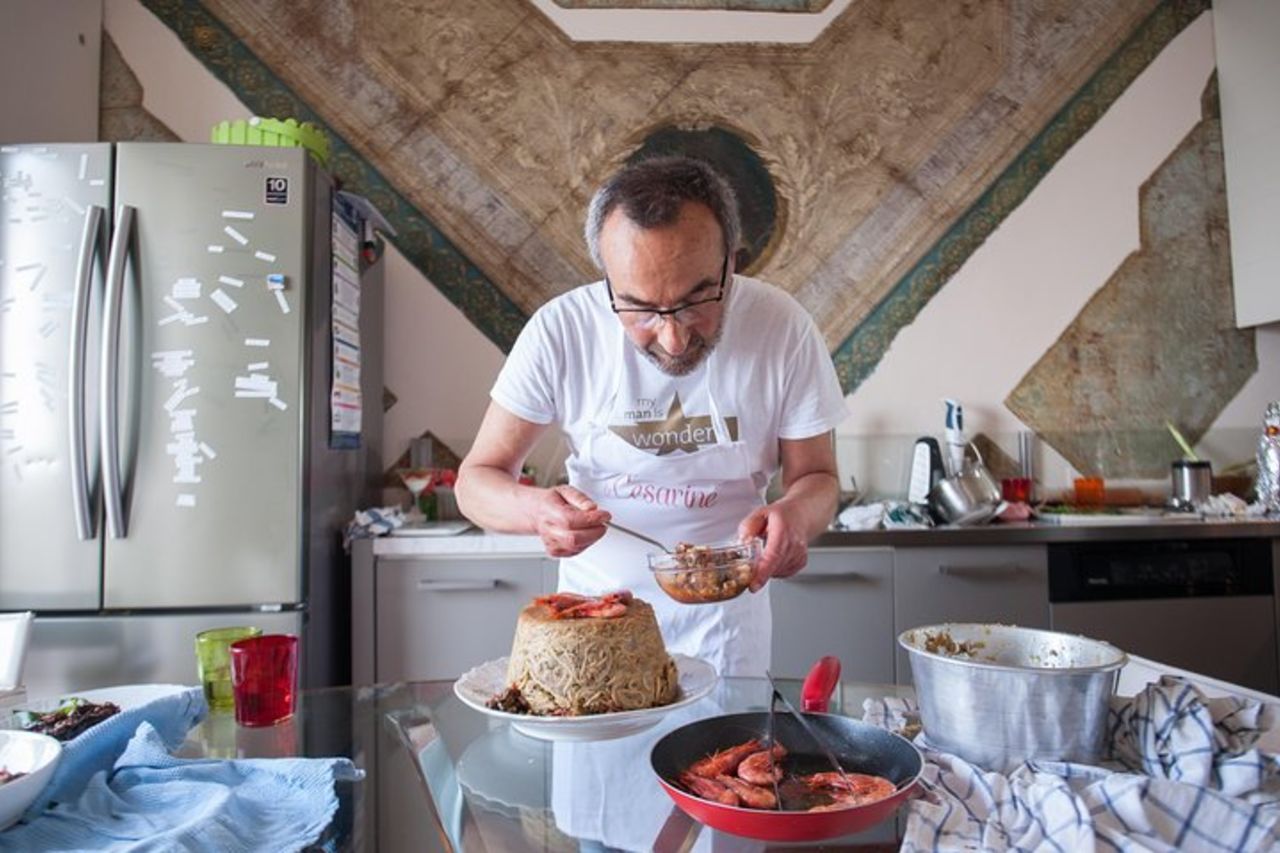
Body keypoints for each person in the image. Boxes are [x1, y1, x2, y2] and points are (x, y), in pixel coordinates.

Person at [456, 155, 847, 676]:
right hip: (594, 628)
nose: (673, 337)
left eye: (695, 300)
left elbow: (817, 477)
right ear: (607, 278)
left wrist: (796, 516)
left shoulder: (782, 327)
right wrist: (537, 513)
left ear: (730, 263)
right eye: (639, 309)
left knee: (725, 756)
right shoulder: (561, 330)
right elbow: (475, 482)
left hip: (725, 629)